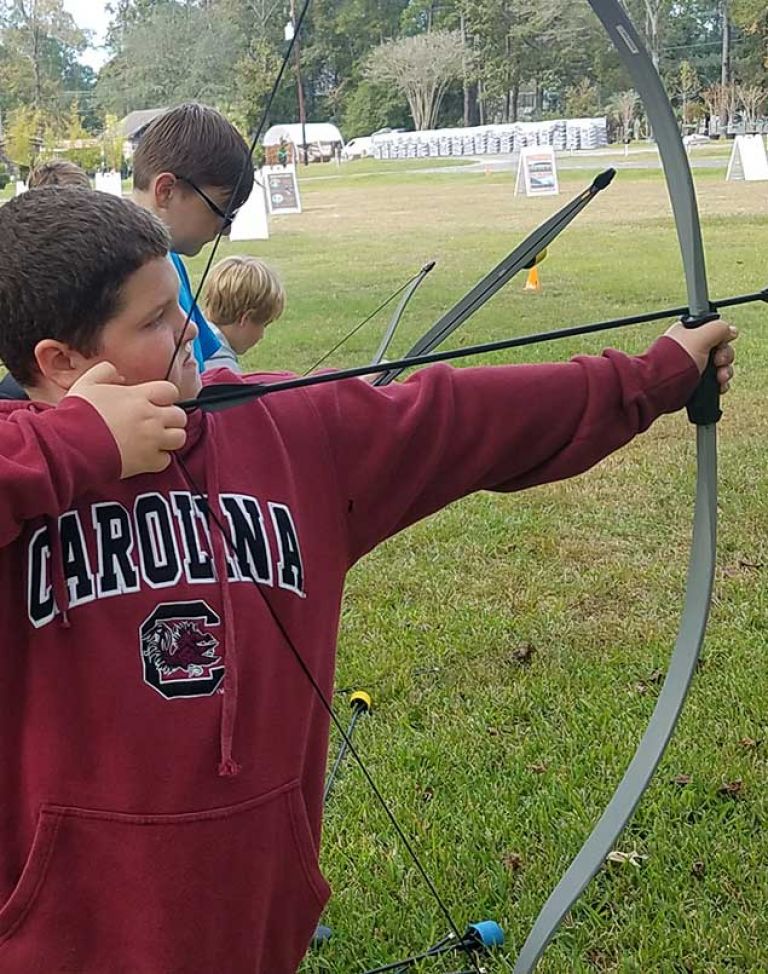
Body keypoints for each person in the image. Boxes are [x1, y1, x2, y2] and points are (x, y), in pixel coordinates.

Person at [0, 187, 736, 974]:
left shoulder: (290, 430)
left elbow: (470, 418)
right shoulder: (25, 465)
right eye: (151, 322)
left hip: (251, 905)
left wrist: (657, 376)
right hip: (61, 929)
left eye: (176, 301)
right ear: (61, 361)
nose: (186, 327)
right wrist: (77, 447)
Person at [131, 102, 254, 372]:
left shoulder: (171, 259)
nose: (227, 229)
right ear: (166, 191)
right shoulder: (120, 274)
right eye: (222, 212)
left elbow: (209, 356)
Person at [202, 255, 286, 372]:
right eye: (264, 325)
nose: (262, 336)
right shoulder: (221, 367)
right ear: (245, 319)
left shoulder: (197, 333)